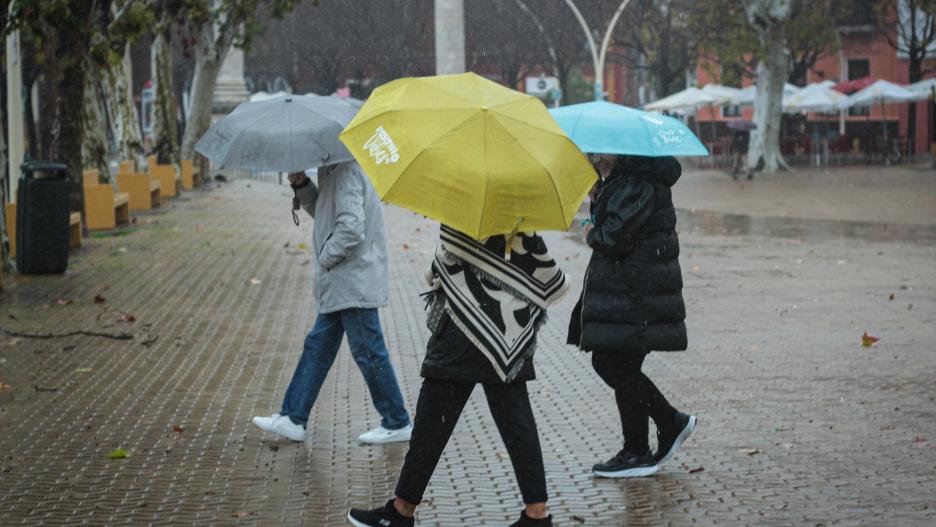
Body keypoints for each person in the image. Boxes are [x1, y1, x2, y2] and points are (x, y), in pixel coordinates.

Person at [348, 225, 566, 527]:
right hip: (509, 333)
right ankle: (537, 514)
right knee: (517, 423)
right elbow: (537, 268)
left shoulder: (469, 206)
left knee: (432, 423)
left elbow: (447, 261)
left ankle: (401, 511)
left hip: (460, 334)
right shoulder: (521, 206)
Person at [251, 161, 412, 445]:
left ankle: (397, 420)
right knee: (319, 346)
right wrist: (302, 185)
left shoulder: (345, 170)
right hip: (344, 280)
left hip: (352, 278)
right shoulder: (334, 169)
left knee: (369, 352)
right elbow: (326, 215)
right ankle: (293, 417)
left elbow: (351, 227)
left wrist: (325, 257)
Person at [569, 154, 697, 478]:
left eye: (598, 152)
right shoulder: (626, 181)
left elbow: (615, 238)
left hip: (636, 294)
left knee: (612, 364)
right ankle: (640, 447)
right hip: (632, 292)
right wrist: (600, 197)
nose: (593, 157)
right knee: (621, 366)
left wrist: (592, 231)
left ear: (617, 151)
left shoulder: (636, 182)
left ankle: (660, 430)